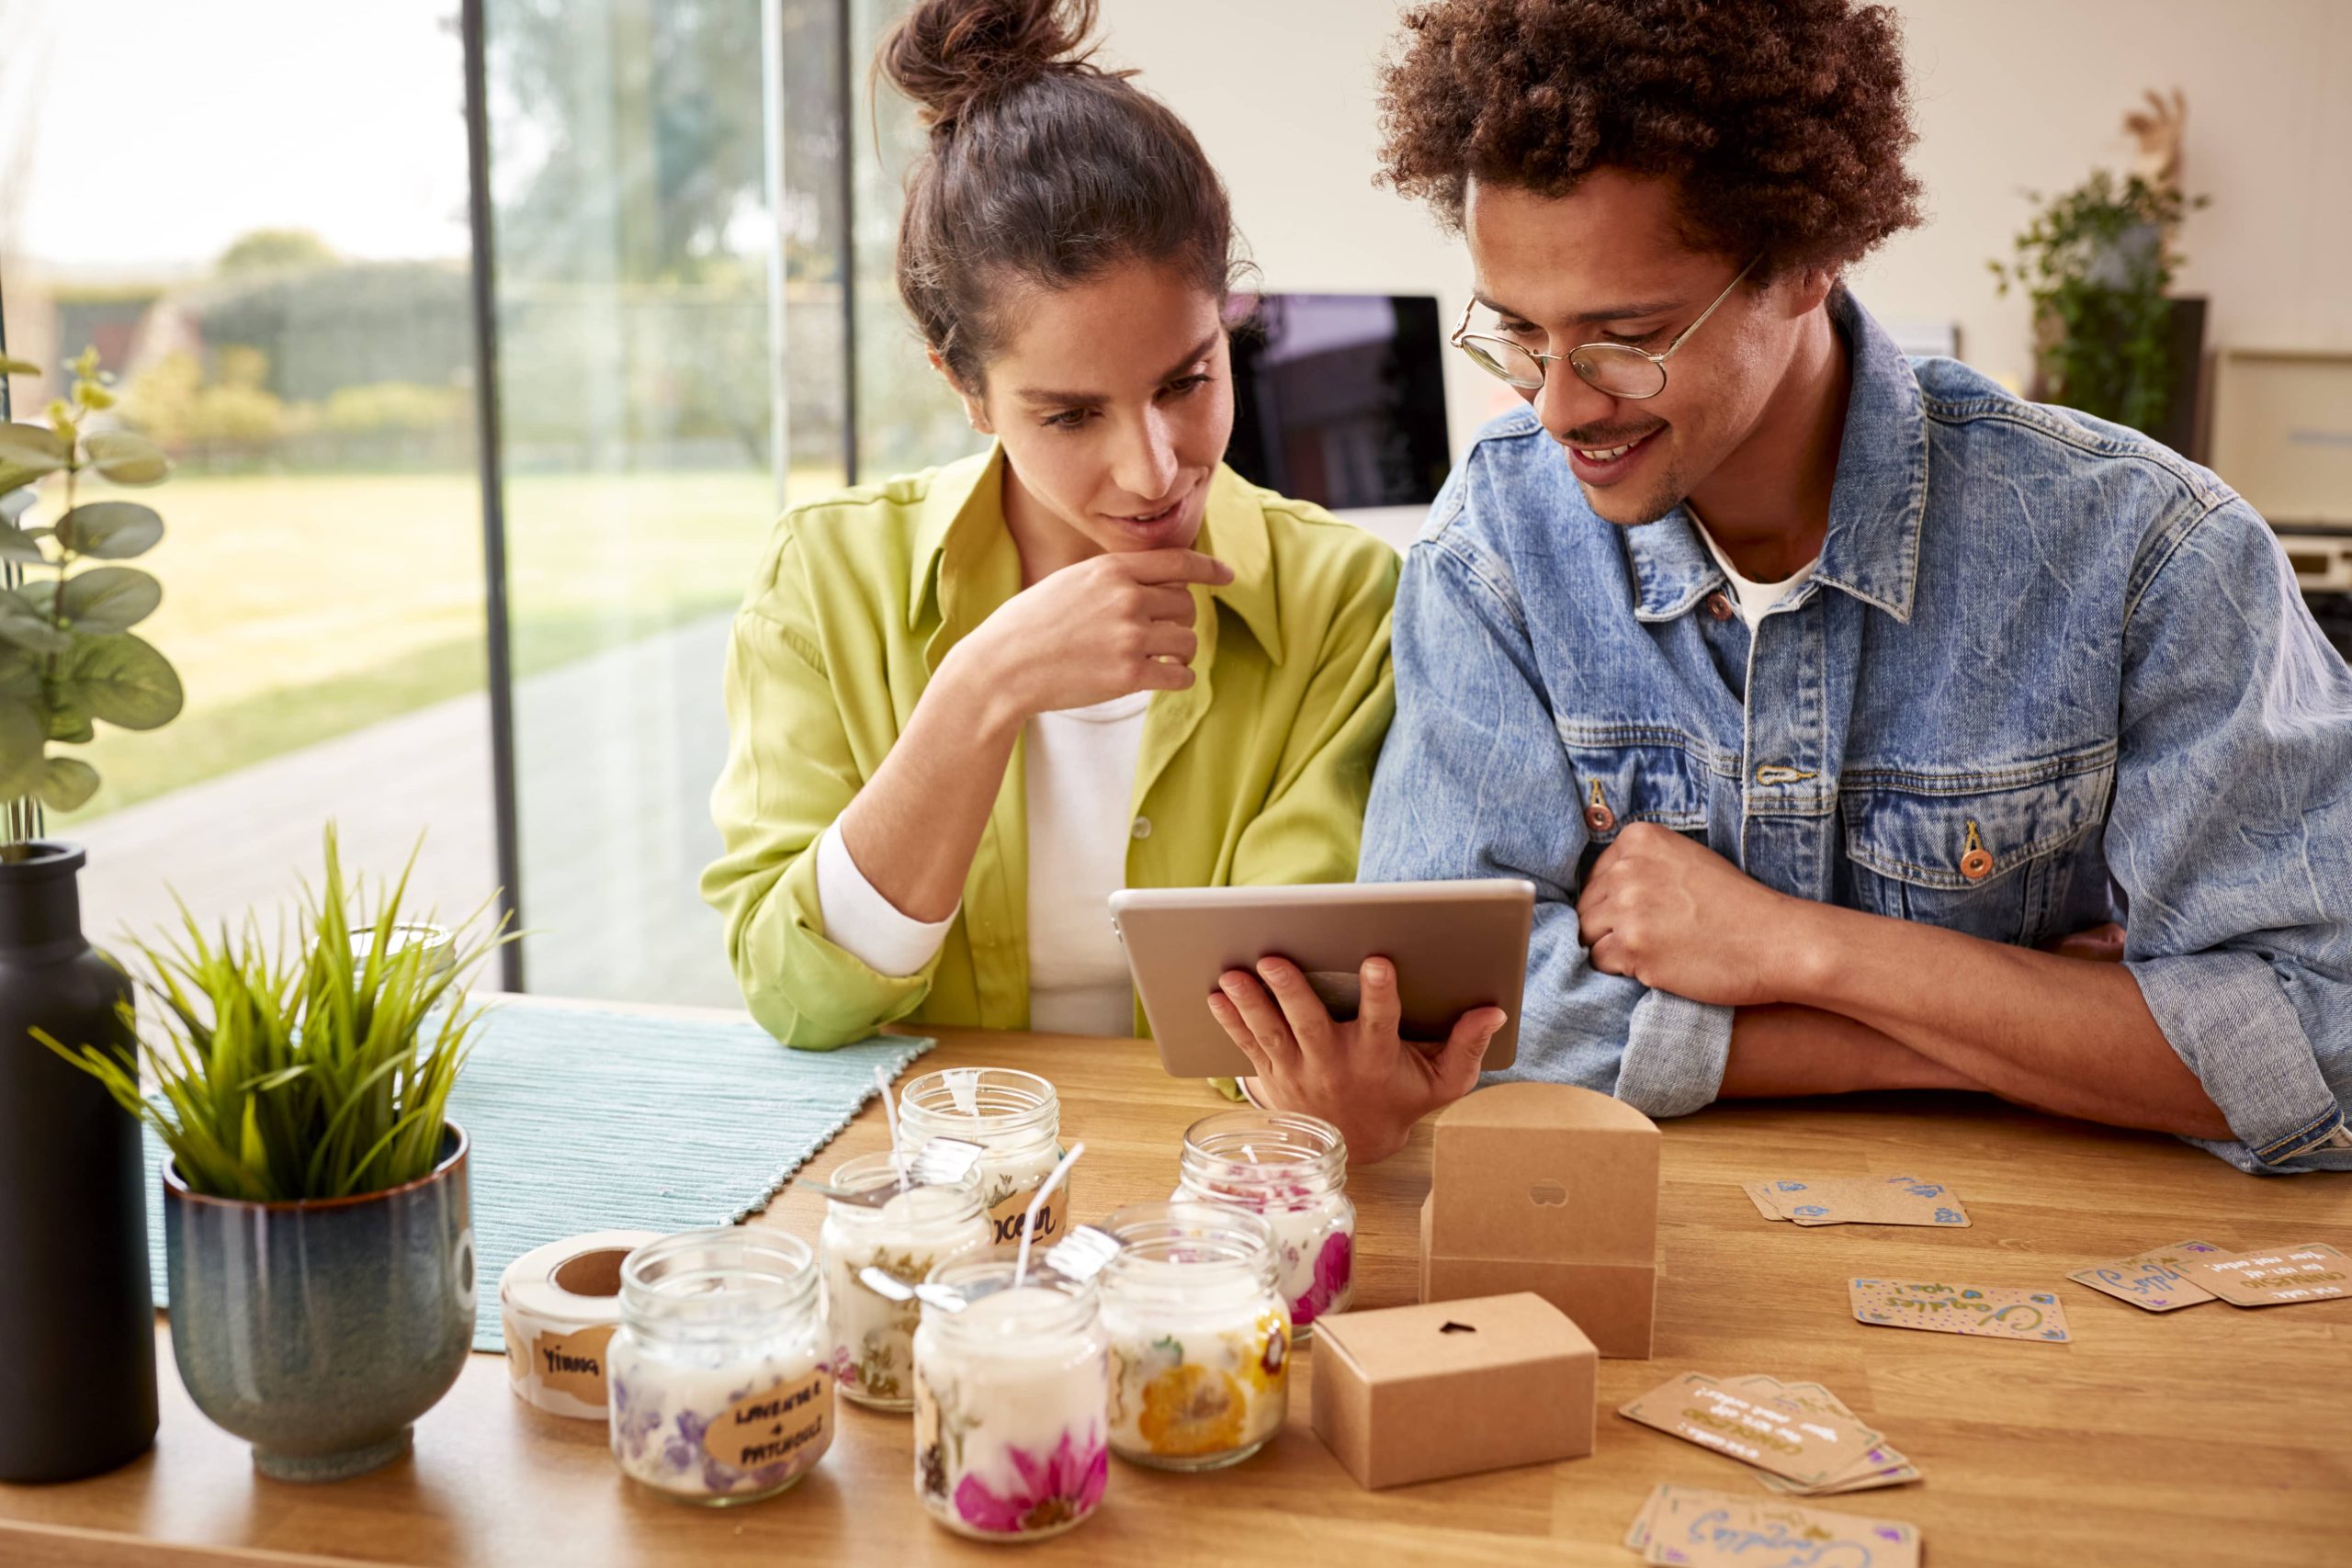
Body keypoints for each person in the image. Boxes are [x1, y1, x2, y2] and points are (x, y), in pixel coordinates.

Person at [1208, 0, 2352, 1174]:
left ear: (1807, 262)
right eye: (1517, 335)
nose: (1555, 405)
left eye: (1623, 337)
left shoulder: (2151, 552)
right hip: (1676, 1269)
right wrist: (1973, 1033)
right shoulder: (1497, 543)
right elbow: (1468, 1020)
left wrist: (1799, 947)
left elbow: (2318, 1044)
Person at [702, 0, 1401, 1055]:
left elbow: (1284, 1029)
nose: (1154, 469)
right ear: (966, 388)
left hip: (1209, 1191)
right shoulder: (826, 575)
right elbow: (799, 994)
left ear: (1228, 321)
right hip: (930, 1195)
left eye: (1186, 381)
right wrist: (982, 690)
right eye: (1071, 414)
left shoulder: (1344, 600)